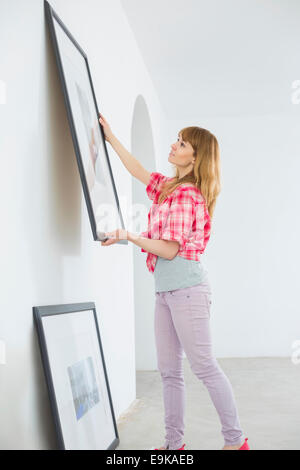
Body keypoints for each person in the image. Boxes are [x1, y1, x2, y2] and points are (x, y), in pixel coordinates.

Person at [98, 113, 250, 451]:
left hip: (188, 292)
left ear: (194, 158)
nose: (173, 144)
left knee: (204, 367)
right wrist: (110, 137)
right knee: (169, 371)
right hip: (166, 292)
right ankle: (173, 446)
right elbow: (138, 170)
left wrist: (127, 235)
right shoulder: (169, 188)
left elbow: (168, 249)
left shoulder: (187, 196)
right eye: (177, 139)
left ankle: (236, 441)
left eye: (181, 143)